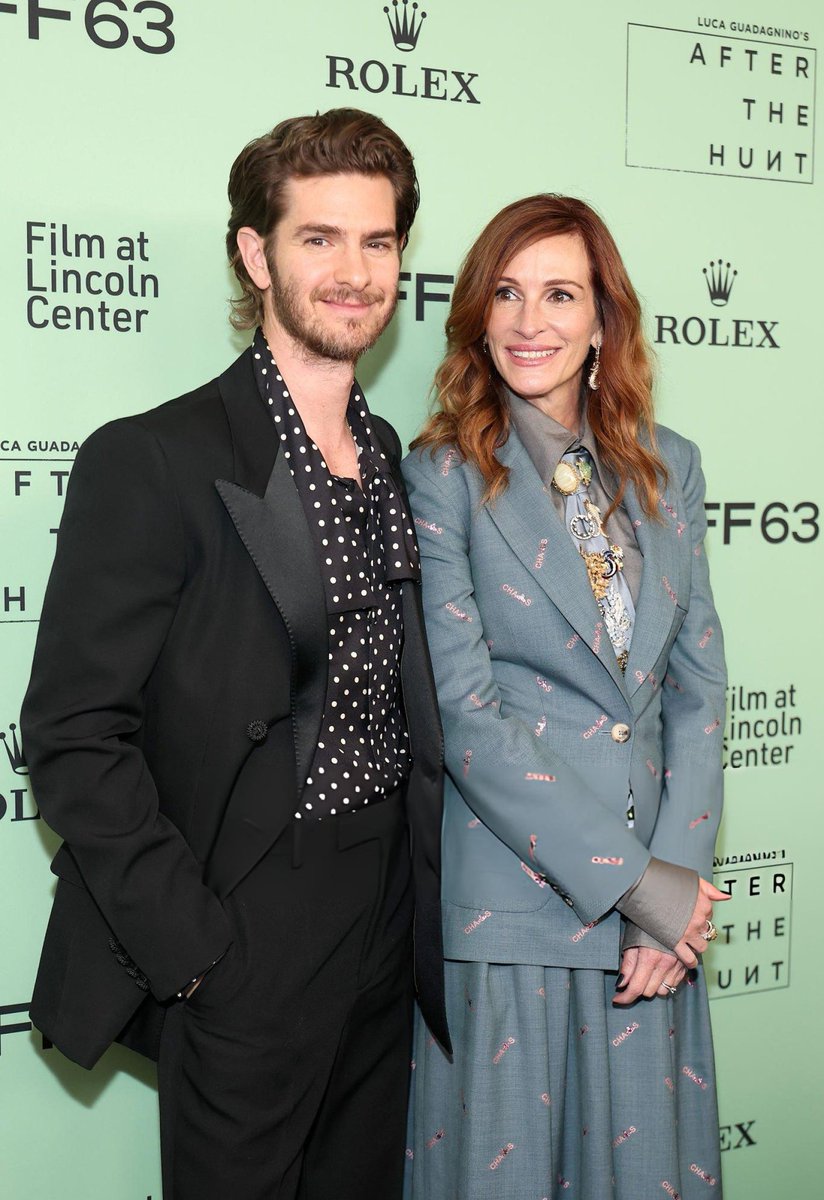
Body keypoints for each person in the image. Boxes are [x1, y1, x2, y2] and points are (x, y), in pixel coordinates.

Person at [22, 107, 449, 1200]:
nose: (354, 272)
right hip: (246, 921)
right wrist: (198, 948)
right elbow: (72, 735)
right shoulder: (153, 458)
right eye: (318, 238)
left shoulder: (390, 457)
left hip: (388, 916)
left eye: (378, 241)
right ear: (255, 254)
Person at [402, 194, 728, 1199]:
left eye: (557, 294)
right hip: (513, 916)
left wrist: (667, 903)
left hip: (649, 945)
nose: (527, 321)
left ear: (601, 321)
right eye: (504, 293)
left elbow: (695, 689)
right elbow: (466, 717)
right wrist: (644, 887)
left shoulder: (669, 466)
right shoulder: (443, 474)